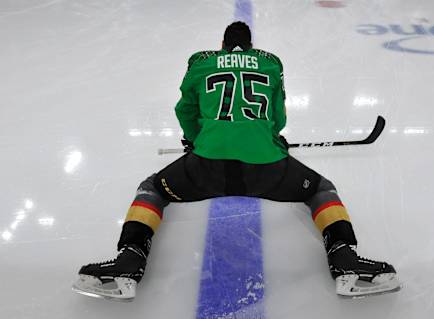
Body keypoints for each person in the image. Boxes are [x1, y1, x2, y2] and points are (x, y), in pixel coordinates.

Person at [72, 21, 400, 301]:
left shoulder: (200, 62)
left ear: (223, 45)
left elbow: (185, 111)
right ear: (251, 45)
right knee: (321, 189)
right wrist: (271, 138)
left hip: (206, 168)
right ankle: (345, 258)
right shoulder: (271, 62)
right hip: (267, 168)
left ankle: (130, 258)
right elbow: (278, 117)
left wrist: (194, 140)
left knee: (152, 189)